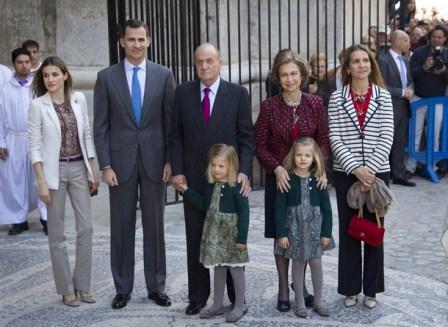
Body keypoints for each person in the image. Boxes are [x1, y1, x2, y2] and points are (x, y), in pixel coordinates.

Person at [93, 19, 175, 309]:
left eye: (141, 39)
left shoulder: (164, 75)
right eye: (131, 39)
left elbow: (170, 123)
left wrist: (169, 161)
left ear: (149, 41)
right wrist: (105, 165)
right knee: (122, 226)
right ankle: (123, 288)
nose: (136, 45)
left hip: (155, 162)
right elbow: (100, 126)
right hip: (120, 163)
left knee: (155, 227)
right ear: (122, 42)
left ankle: (156, 286)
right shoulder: (106, 77)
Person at [170, 42, 254, 315]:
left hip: (227, 181)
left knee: (228, 238)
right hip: (194, 179)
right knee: (195, 237)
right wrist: (178, 170)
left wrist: (244, 172)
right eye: (199, 62)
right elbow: (176, 135)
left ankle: (234, 298)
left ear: (219, 62)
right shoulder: (182, 93)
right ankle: (198, 296)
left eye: (209, 61)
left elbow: (246, 138)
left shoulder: (238, 94)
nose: (204, 66)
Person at [254, 49, 329, 313]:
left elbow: (323, 140)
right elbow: (259, 144)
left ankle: (302, 286)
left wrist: (320, 168)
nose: (289, 79)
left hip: (308, 180)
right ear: (278, 78)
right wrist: (276, 169)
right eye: (284, 75)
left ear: (302, 75)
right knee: (282, 235)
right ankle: (285, 287)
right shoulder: (269, 107)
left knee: (305, 232)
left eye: (293, 74)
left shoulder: (316, 104)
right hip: (281, 181)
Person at [28, 56, 99, 307]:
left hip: (79, 167)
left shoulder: (78, 99)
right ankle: (66, 289)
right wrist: (41, 181)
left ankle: (83, 285)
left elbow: (87, 135)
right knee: (56, 234)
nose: (50, 79)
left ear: (65, 75)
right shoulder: (38, 105)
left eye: (55, 74)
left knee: (86, 229)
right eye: (46, 75)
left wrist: (93, 169)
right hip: (53, 172)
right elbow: (34, 146)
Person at [328, 44, 394, 309]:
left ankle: (372, 291)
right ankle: (350, 289)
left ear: (371, 64)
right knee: (350, 231)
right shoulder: (337, 98)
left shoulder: (383, 96)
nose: (361, 65)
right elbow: (335, 138)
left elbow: (387, 135)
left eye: (365, 60)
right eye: (355, 61)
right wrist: (356, 168)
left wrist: (371, 171)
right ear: (348, 67)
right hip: (348, 174)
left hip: (378, 175)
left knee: (374, 228)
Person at [179, 144, 249, 323]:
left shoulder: (237, 187)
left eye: (221, 166)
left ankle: (239, 305)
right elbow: (204, 204)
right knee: (218, 268)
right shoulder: (211, 185)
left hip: (232, 236)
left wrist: (242, 238)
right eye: (213, 165)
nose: (216, 170)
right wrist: (187, 191)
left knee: (236, 269)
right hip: (215, 235)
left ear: (231, 166)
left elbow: (244, 213)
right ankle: (217, 304)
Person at [275, 137, 333, 318]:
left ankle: (318, 301)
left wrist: (326, 232)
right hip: (294, 231)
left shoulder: (319, 180)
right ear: (293, 156)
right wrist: (281, 234)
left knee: (316, 263)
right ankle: (299, 302)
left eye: (307, 155)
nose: (302, 158)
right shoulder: (287, 179)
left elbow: (327, 209)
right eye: (299, 155)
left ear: (314, 157)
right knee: (298, 264)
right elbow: (279, 209)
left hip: (315, 231)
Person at [0, 48, 47, 235]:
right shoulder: (5, 89)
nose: (24, 65)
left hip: (36, 137)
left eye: (27, 62)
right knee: (15, 180)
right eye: (20, 62)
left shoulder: (38, 87)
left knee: (41, 178)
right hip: (14, 138)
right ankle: (18, 219)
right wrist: (1, 141)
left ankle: (46, 218)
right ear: (14, 64)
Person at [406, 25, 448, 177]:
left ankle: (432, 166)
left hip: (438, 100)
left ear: (444, 39)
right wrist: (424, 67)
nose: (437, 39)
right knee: (415, 133)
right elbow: (412, 74)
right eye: (434, 36)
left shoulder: (447, 54)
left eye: (440, 37)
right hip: (419, 98)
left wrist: (443, 71)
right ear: (430, 38)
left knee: (435, 133)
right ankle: (410, 167)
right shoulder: (419, 52)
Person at [378, 30, 416, 186]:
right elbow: (381, 85)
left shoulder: (406, 60)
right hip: (389, 107)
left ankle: (398, 174)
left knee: (400, 141)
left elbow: (410, 81)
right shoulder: (383, 60)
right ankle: (383, 175)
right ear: (397, 41)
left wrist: (410, 90)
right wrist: (402, 92)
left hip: (404, 107)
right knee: (386, 141)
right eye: (406, 40)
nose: (409, 43)